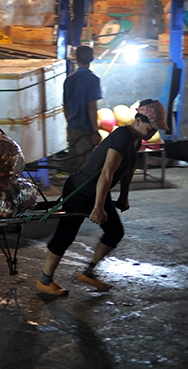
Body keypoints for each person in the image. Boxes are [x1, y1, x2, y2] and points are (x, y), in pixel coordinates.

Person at [35, 99, 169, 296]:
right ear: (138, 121)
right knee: (66, 234)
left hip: (98, 190)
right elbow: (106, 172)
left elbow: (129, 170)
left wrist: (124, 196)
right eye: (150, 128)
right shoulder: (122, 137)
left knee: (115, 232)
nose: (151, 133)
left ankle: (88, 272)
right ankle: (44, 280)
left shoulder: (136, 140)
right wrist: (98, 207)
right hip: (81, 190)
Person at [64, 45, 102, 171]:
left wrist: (70, 122)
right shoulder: (93, 80)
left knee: (72, 166)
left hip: (73, 128)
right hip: (86, 130)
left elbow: (65, 106)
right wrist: (95, 131)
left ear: (76, 58)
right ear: (92, 58)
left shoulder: (69, 80)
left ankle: (71, 190)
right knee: (84, 168)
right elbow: (92, 107)